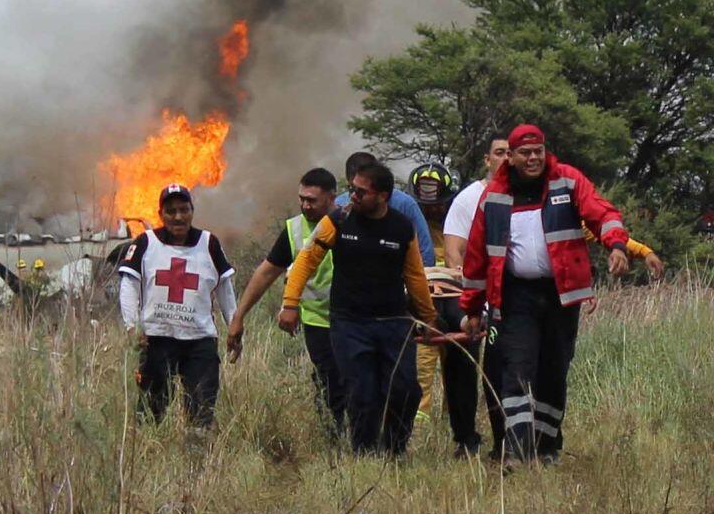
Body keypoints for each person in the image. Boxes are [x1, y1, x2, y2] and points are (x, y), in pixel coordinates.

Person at [447, 130, 664, 460]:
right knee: (515, 371)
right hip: (515, 296)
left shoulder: (568, 180)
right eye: (525, 153)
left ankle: (547, 448)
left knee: (553, 371)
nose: (533, 158)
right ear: (512, 157)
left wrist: (617, 245)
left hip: (561, 295)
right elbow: (476, 258)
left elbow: (601, 213)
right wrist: (472, 308)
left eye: (539, 151)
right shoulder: (493, 196)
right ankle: (516, 452)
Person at [281, 163, 436, 455]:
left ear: (383, 196)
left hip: (393, 322)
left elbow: (415, 276)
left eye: (361, 192)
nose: (352, 196)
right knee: (363, 393)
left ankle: (394, 450)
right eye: (352, 188)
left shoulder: (402, 227)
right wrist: (290, 303)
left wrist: (427, 317)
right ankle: (364, 454)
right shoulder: (338, 220)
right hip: (350, 323)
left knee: (406, 390)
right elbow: (305, 261)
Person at [226, 168, 346, 436]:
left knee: (358, 379)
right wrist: (239, 316)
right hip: (317, 320)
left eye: (312, 200)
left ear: (331, 197)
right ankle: (335, 441)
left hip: (354, 320)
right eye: (302, 198)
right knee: (329, 382)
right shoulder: (294, 229)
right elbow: (267, 272)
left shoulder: (350, 223)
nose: (305, 205)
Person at [118, 183, 236, 428]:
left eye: (184, 209)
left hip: (200, 340)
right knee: (152, 411)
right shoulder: (145, 243)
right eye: (171, 211)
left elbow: (224, 287)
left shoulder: (209, 243)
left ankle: (197, 458)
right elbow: (129, 285)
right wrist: (132, 327)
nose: (178, 217)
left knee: (202, 409)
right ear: (160, 215)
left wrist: (234, 325)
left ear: (192, 211)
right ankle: (150, 457)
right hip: (157, 339)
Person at [407, 163, 482, 456]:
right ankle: (419, 430)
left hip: (459, 306)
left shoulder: (460, 221)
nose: (433, 211)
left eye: (437, 205)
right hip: (423, 307)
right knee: (422, 369)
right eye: (426, 206)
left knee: (460, 370)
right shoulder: (409, 224)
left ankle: (459, 428)